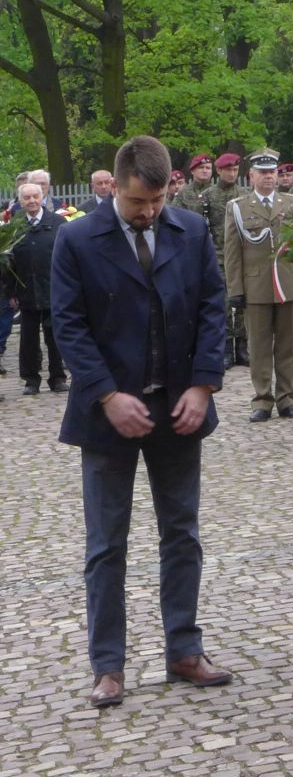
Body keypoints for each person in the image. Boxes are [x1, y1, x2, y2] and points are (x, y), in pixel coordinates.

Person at [50, 136, 233, 708]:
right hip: (109, 416)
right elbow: (68, 324)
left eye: (157, 201)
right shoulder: (77, 239)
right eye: (137, 202)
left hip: (179, 408)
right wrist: (106, 395)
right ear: (116, 188)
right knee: (106, 544)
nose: (148, 212)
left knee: (182, 534)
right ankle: (108, 666)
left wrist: (203, 385)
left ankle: (184, 649)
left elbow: (212, 307)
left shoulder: (191, 231)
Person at [222, 150, 293, 422]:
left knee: (289, 345)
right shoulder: (238, 207)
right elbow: (232, 252)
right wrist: (235, 289)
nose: (269, 177)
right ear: (252, 176)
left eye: (272, 172)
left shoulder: (292, 203)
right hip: (256, 286)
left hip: (288, 283)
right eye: (263, 173)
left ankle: (288, 398)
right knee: (258, 347)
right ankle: (262, 399)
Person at [8, 180, 67, 395]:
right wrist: (11, 292)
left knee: (55, 337)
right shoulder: (14, 227)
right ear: (20, 200)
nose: (32, 201)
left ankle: (58, 377)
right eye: (27, 197)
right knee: (29, 340)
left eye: (35, 196)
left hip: (53, 290)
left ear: (42, 197)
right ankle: (31, 380)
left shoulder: (58, 223)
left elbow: (67, 258)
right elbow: (9, 263)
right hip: (26, 291)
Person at [201, 153, 249, 368]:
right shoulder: (208, 196)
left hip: (242, 255)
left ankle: (242, 347)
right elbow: (202, 226)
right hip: (219, 255)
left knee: (242, 302)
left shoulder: (244, 195)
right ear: (219, 170)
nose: (232, 173)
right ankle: (226, 348)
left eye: (235, 170)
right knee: (224, 302)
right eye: (228, 170)